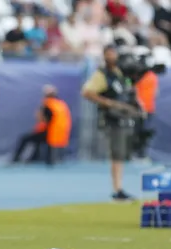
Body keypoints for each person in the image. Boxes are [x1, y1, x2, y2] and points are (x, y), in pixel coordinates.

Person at [82, 45, 142, 201]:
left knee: (121, 154)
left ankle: (120, 188)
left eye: (113, 53)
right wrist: (109, 103)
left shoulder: (121, 73)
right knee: (117, 154)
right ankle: (117, 189)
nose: (112, 57)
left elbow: (128, 90)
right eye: (108, 54)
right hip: (112, 118)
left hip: (124, 117)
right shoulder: (102, 74)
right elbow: (87, 92)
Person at [12, 85, 71, 165]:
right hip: (61, 134)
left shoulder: (47, 104)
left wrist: (39, 114)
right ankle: (34, 158)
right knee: (37, 139)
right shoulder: (61, 104)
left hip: (51, 133)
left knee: (25, 138)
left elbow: (41, 118)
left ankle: (16, 159)